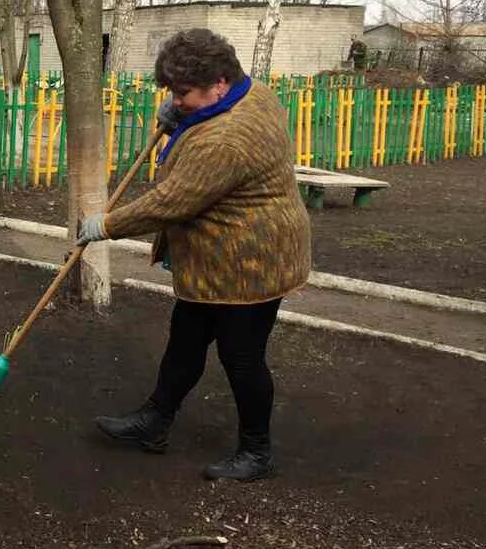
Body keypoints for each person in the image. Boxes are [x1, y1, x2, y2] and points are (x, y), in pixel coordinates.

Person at [78, 28, 311, 481]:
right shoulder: (252, 91)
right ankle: (155, 422)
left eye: (183, 93)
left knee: (242, 357)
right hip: (217, 259)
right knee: (185, 340)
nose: (176, 99)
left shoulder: (226, 140)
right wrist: (182, 115)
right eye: (172, 91)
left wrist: (106, 225)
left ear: (219, 83)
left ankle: (256, 452)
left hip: (250, 264)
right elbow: (196, 131)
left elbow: (172, 201)